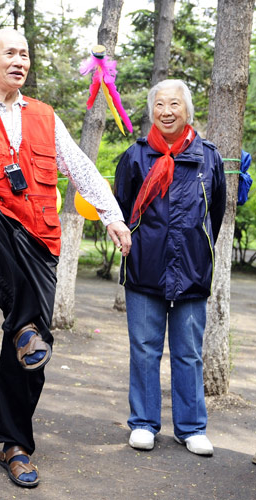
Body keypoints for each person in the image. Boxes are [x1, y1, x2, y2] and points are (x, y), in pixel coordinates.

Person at [0, 27, 131, 488]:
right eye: (10, 53)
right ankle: (24, 322)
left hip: (40, 239)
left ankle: (15, 445)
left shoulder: (44, 115)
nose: (20, 61)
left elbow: (80, 167)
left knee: (32, 347)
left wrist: (112, 216)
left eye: (25, 54)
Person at [114, 79, 226, 457]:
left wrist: (197, 247)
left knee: (188, 352)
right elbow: (122, 207)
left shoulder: (208, 156)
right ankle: (143, 424)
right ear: (151, 111)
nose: (166, 111)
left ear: (187, 109)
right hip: (145, 267)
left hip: (192, 268)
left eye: (174, 104)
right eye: (160, 104)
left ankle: (191, 428)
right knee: (144, 348)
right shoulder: (136, 156)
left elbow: (217, 213)